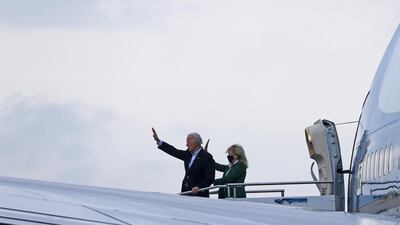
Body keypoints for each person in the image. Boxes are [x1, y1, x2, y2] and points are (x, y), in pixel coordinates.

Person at [152, 128, 215, 197]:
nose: (186, 145)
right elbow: (174, 151)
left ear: (195, 142)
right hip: (186, 193)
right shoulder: (187, 154)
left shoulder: (206, 157)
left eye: (188, 142)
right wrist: (158, 141)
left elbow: (210, 177)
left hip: (199, 195)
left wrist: (199, 187)